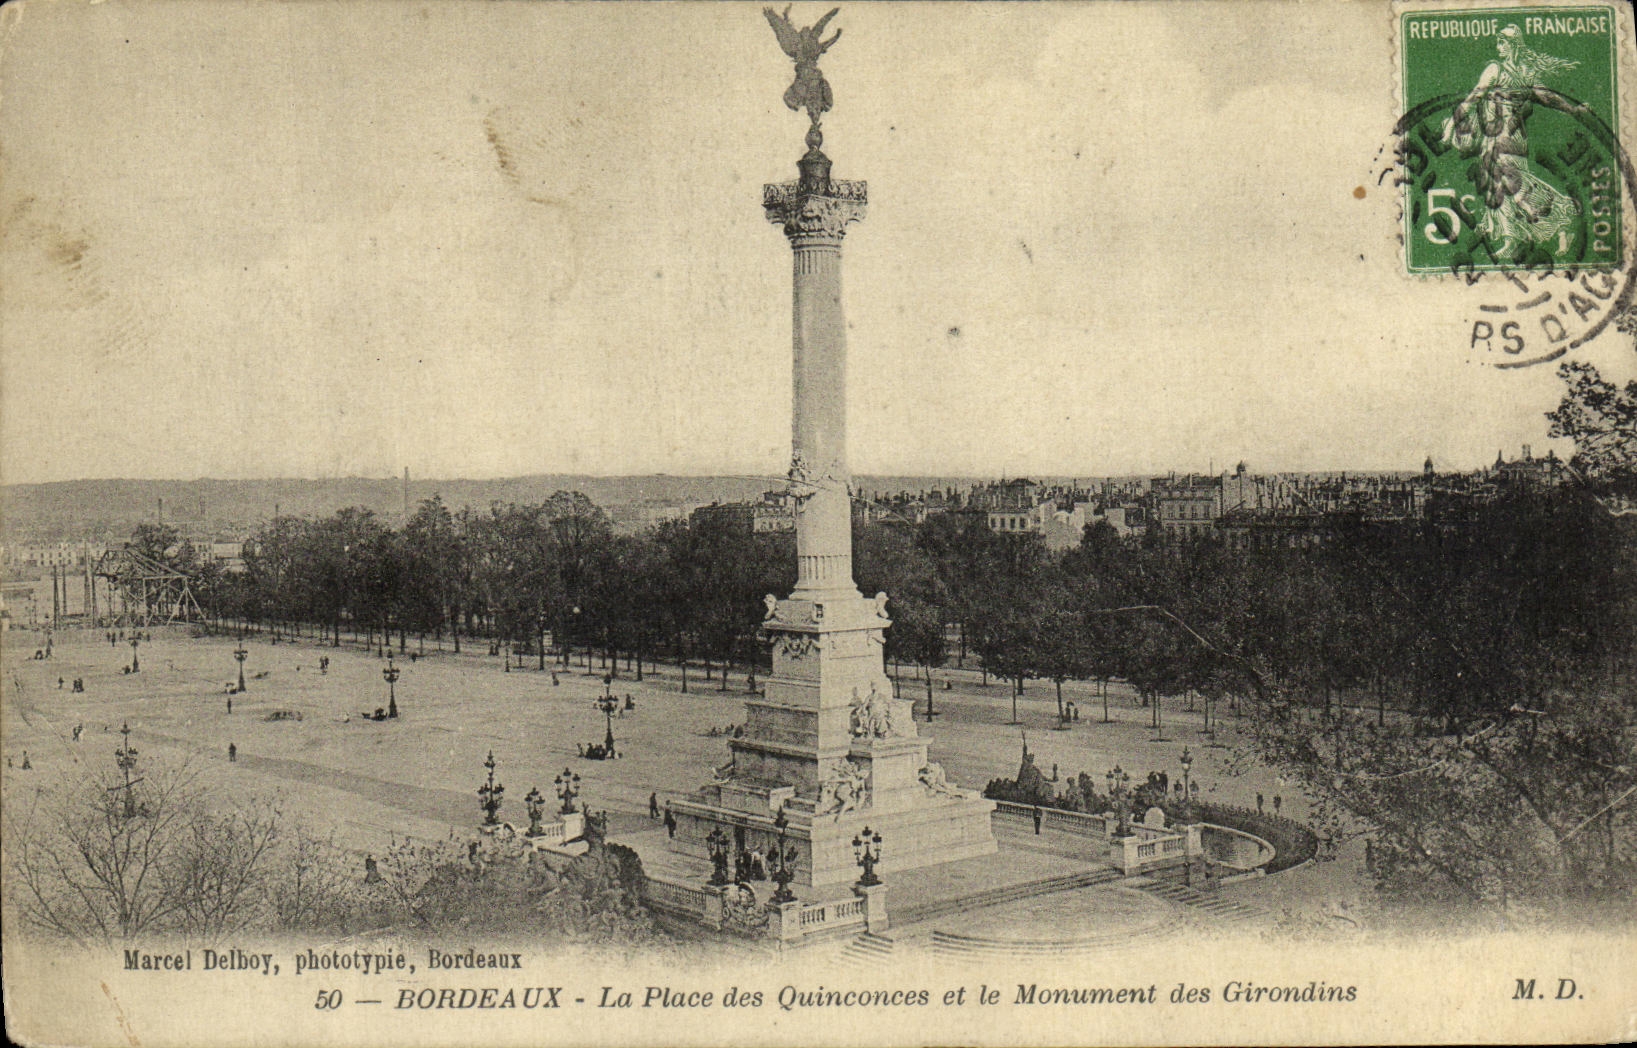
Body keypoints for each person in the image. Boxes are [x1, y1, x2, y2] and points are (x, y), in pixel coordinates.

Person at [1441, 24, 1585, 261]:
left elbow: (1473, 98)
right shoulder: (1525, 73)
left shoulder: (1495, 69)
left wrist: (1451, 124)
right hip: (1507, 136)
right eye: (1498, 42)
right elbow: (1549, 98)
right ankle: (1514, 238)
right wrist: (1574, 109)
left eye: (1502, 42)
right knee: (1501, 187)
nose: (1498, 47)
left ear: (1513, 45)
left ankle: (1561, 214)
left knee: (1511, 184)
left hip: (1503, 135)